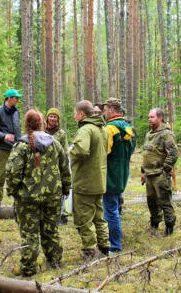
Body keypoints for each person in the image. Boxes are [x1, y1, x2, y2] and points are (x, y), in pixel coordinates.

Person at [6, 110, 71, 277]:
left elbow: (13, 172)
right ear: (42, 123)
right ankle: (55, 261)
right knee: (51, 230)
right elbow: (65, 167)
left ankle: (28, 267)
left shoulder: (21, 146)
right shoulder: (55, 144)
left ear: (26, 124)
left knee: (29, 233)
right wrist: (65, 188)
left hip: (27, 199)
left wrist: (13, 192)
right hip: (52, 196)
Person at [69, 100, 110, 259]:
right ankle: (104, 246)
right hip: (99, 180)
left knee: (84, 218)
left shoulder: (85, 130)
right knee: (99, 217)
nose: (74, 117)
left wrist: (69, 153)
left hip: (85, 182)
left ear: (81, 114)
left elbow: (81, 151)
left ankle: (89, 250)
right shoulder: (102, 130)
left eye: (75, 113)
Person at [102, 98, 135, 253]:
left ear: (112, 110)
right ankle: (114, 239)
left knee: (110, 209)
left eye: (105, 109)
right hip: (123, 172)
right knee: (114, 206)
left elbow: (103, 153)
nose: (103, 112)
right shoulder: (129, 127)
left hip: (110, 174)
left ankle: (115, 245)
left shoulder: (110, 129)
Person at [140, 108, 178, 236]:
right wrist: (143, 171)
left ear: (160, 117)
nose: (149, 119)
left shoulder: (166, 134)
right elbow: (147, 153)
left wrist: (165, 170)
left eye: (152, 117)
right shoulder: (149, 134)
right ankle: (154, 225)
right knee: (151, 202)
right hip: (149, 174)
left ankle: (169, 227)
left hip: (160, 174)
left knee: (165, 202)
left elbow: (172, 154)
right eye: (149, 117)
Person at [0, 88, 23, 212]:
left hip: (16, 148)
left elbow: (18, 129)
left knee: (16, 174)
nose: (18, 100)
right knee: (0, 174)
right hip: (2, 148)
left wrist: (21, 142)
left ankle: (16, 201)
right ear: (9, 98)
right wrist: (4, 136)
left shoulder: (16, 112)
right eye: (16, 98)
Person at [45, 107, 69, 225]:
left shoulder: (61, 133)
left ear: (58, 119)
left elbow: (65, 150)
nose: (53, 118)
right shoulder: (42, 131)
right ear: (47, 118)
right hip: (44, 166)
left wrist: (64, 163)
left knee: (59, 190)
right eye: (51, 116)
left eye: (55, 117)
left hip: (58, 165)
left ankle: (62, 214)